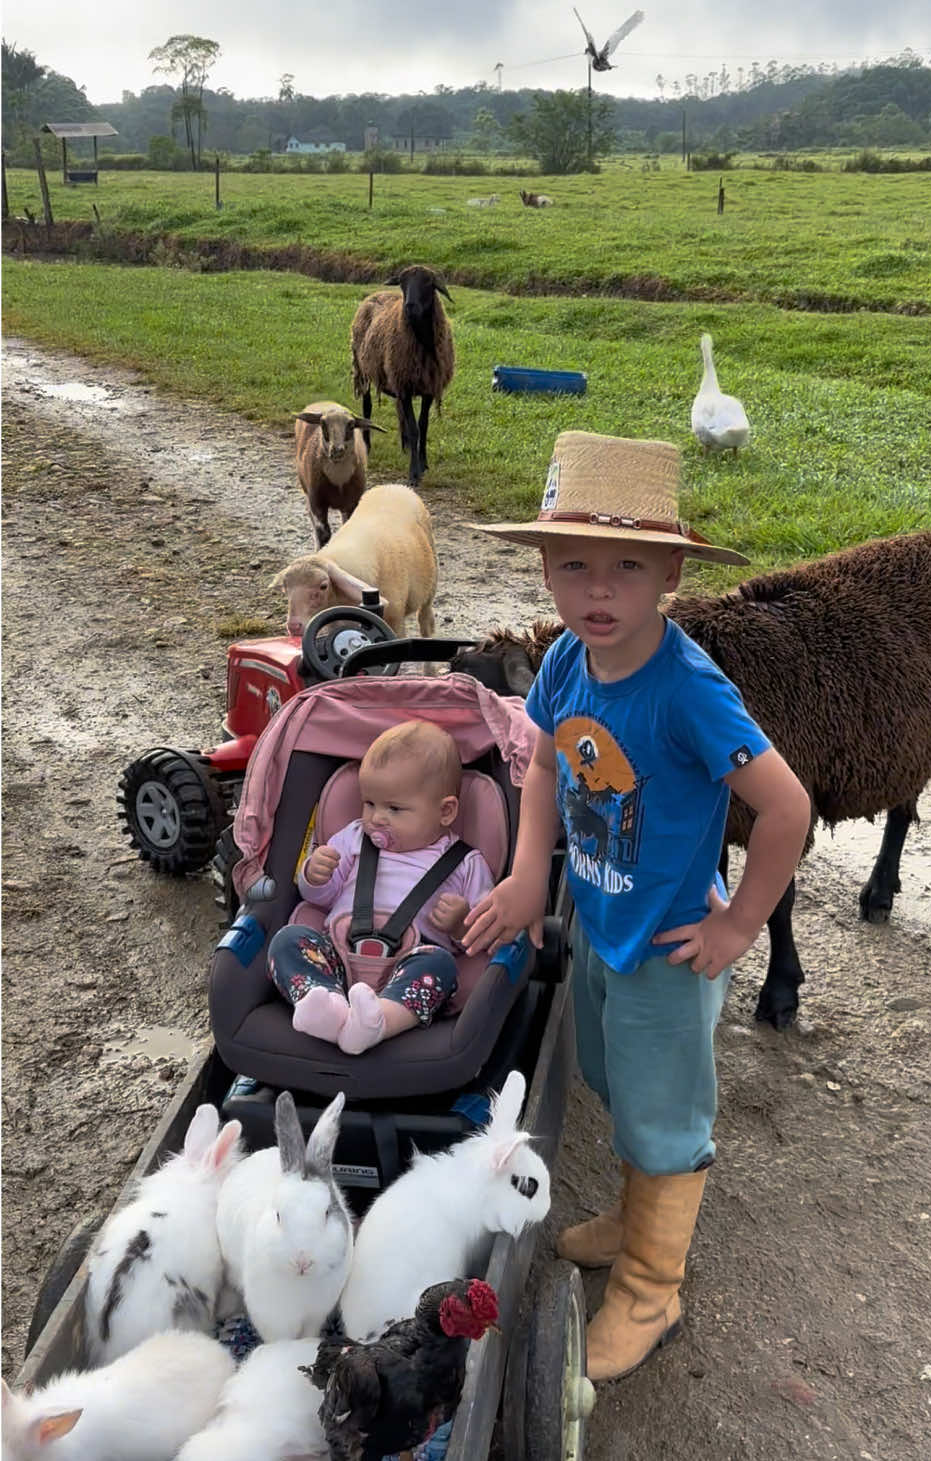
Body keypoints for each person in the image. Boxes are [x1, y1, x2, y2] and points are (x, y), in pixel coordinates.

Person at [463, 430, 811, 1382]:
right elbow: (541, 759)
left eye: (626, 567)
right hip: (599, 925)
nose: (598, 590)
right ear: (544, 572)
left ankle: (654, 1284)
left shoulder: (690, 691)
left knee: (665, 1113)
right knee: (618, 1084)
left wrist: (738, 924)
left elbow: (786, 806)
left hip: (666, 942)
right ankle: (633, 1213)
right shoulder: (569, 662)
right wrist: (531, 870)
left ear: (668, 573)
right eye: (573, 564)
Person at [268, 719, 494, 1055]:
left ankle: (379, 1022)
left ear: (446, 811)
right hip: (338, 957)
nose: (377, 818)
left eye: (395, 808)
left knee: (442, 967)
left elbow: (487, 927)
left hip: (411, 966)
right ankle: (325, 1006)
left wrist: (462, 923)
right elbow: (322, 899)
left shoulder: (465, 862)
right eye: (370, 803)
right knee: (287, 941)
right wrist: (315, 876)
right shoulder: (353, 838)